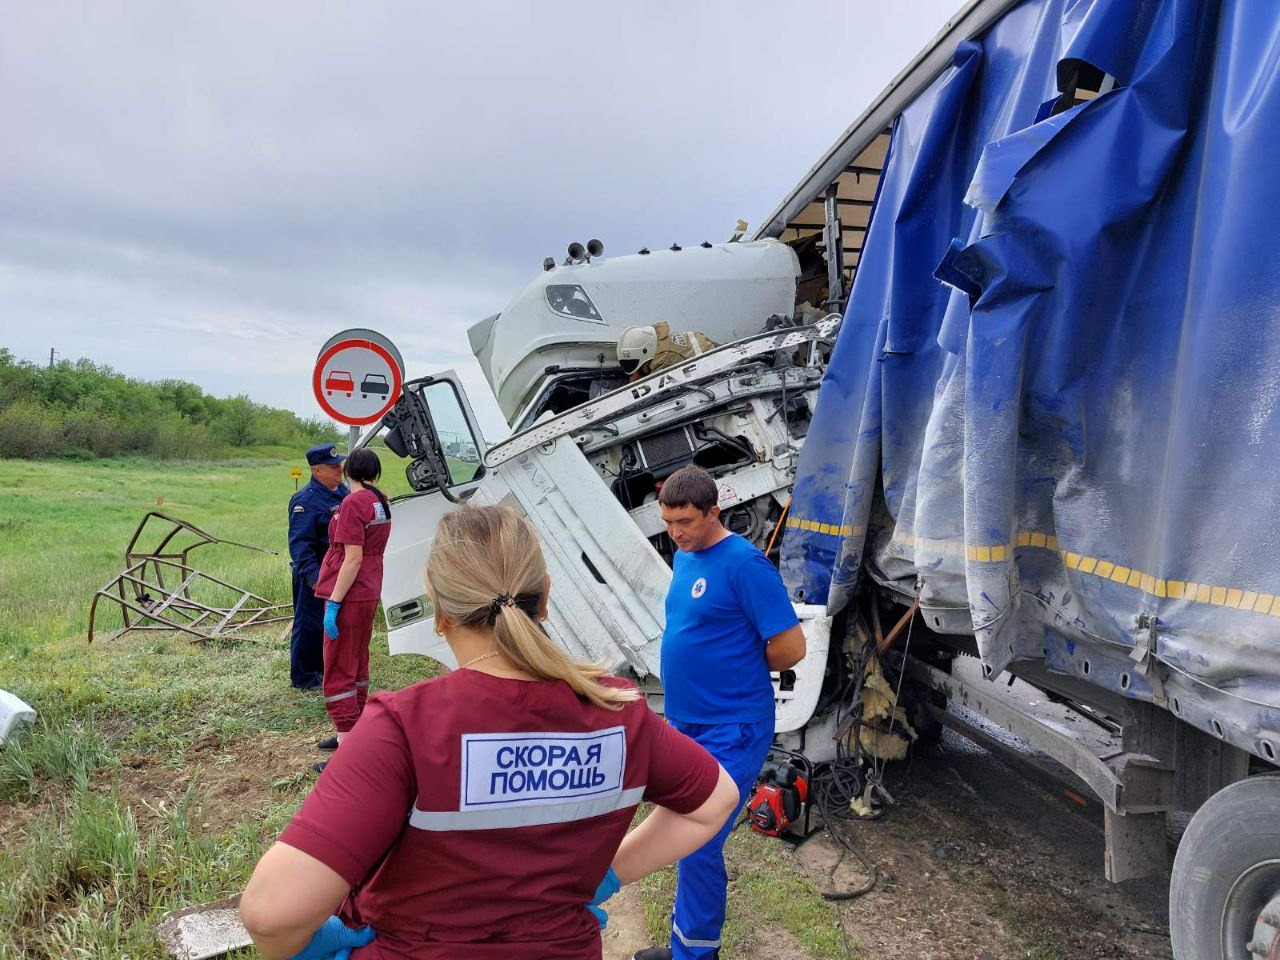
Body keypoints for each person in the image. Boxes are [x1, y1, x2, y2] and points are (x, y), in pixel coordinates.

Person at [240, 504, 740, 960]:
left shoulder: (405, 726)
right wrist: (606, 877)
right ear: (544, 597)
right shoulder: (620, 711)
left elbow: (273, 913)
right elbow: (715, 801)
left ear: (439, 611)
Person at [634, 465, 807, 960]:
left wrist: (741, 668)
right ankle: (683, 943)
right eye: (668, 523)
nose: (676, 533)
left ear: (715, 511)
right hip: (688, 723)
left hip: (733, 728)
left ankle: (695, 954)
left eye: (685, 522)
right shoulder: (687, 555)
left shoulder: (744, 565)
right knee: (681, 835)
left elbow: (791, 646)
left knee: (697, 840)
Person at [311, 448, 392, 770]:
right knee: (356, 661)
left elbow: (352, 557)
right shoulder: (379, 499)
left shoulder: (354, 503)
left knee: (339, 665)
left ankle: (347, 745)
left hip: (351, 591)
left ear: (348, 472)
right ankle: (354, 728)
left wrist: (334, 601)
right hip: (369, 588)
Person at [287, 444, 350, 690]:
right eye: (333, 467)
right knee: (308, 622)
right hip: (314, 572)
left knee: (333, 622)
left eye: (340, 465)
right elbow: (300, 545)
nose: (339, 470)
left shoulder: (341, 491)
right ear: (316, 471)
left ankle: (325, 667)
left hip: (338, 570)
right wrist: (314, 578)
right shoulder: (305, 501)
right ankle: (303, 676)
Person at [617, 323, 716, 381]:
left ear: (646, 350)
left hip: (711, 367)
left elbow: (650, 389)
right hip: (706, 344)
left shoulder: (664, 359)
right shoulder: (656, 338)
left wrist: (637, 381)